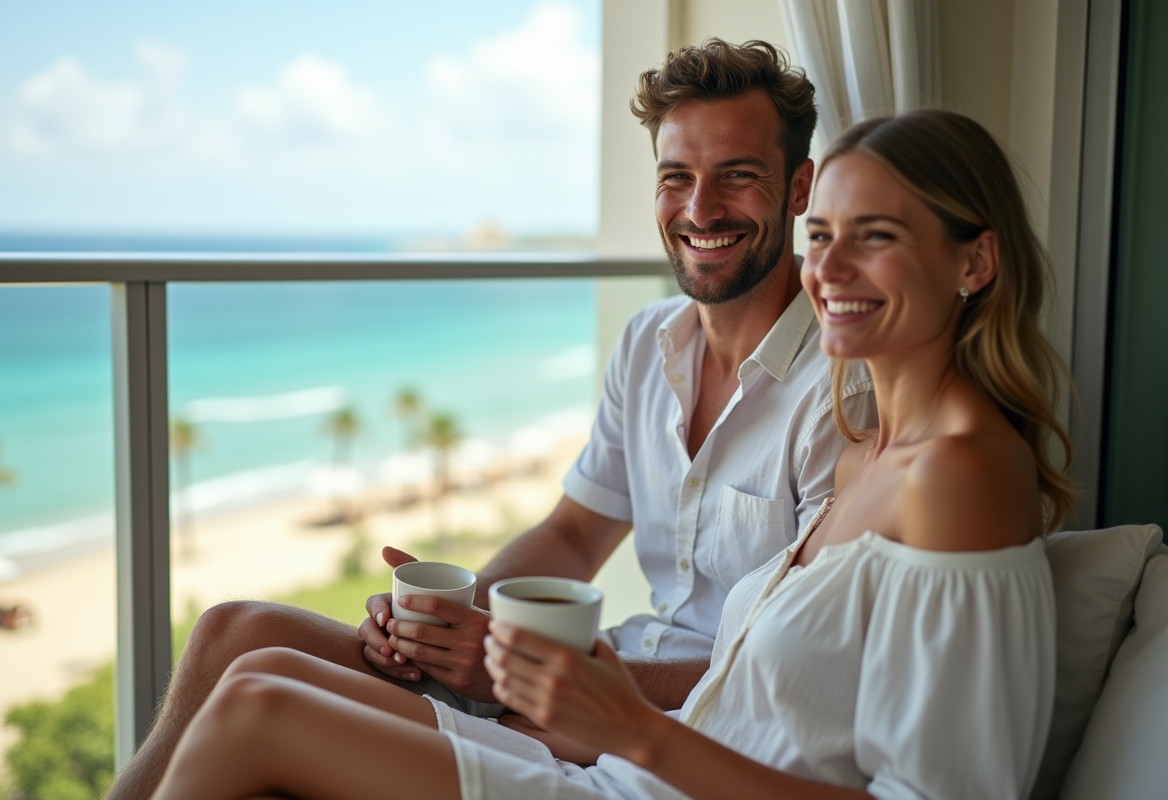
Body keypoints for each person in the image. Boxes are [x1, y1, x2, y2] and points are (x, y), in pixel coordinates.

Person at [146, 107, 1075, 800]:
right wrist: (472, 627)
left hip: (646, 764)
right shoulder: (868, 449)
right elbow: (581, 533)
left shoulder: (957, 472)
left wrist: (624, 722)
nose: (827, 271)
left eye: (875, 238)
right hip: (636, 760)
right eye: (824, 237)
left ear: (973, 262)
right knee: (251, 657)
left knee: (255, 709)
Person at [106, 39, 875, 800]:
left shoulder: (842, 395)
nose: (700, 209)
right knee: (230, 632)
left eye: (737, 177)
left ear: (799, 187)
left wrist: (537, 674)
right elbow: (574, 533)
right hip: (586, 675)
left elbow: (793, 672)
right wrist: (456, 619)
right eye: (677, 177)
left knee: (259, 707)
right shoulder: (651, 341)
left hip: (665, 731)